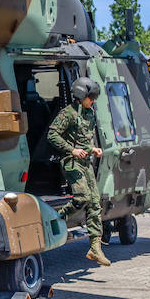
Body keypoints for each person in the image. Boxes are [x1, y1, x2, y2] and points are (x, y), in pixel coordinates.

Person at [47, 76, 111, 266]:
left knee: (95, 203)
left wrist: (92, 149)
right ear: (81, 95)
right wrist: (72, 150)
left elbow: (84, 139)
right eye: (91, 98)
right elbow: (52, 135)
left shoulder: (89, 113)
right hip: (71, 161)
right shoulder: (68, 113)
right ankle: (58, 217)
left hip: (85, 162)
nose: (93, 101)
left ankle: (95, 248)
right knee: (82, 197)